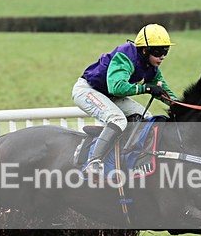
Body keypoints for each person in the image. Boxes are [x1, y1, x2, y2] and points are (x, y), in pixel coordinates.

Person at [73, 24, 179, 175]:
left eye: (165, 51)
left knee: (147, 119)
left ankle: (129, 158)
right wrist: (147, 88)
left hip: (110, 96)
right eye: (158, 51)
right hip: (88, 90)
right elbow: (116, 87)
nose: (162, 56)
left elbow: (164, 91)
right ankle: (94, 162)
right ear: (144, 50)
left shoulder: (151, 66)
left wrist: (180, 105)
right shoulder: (125, 55)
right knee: (118, 119)